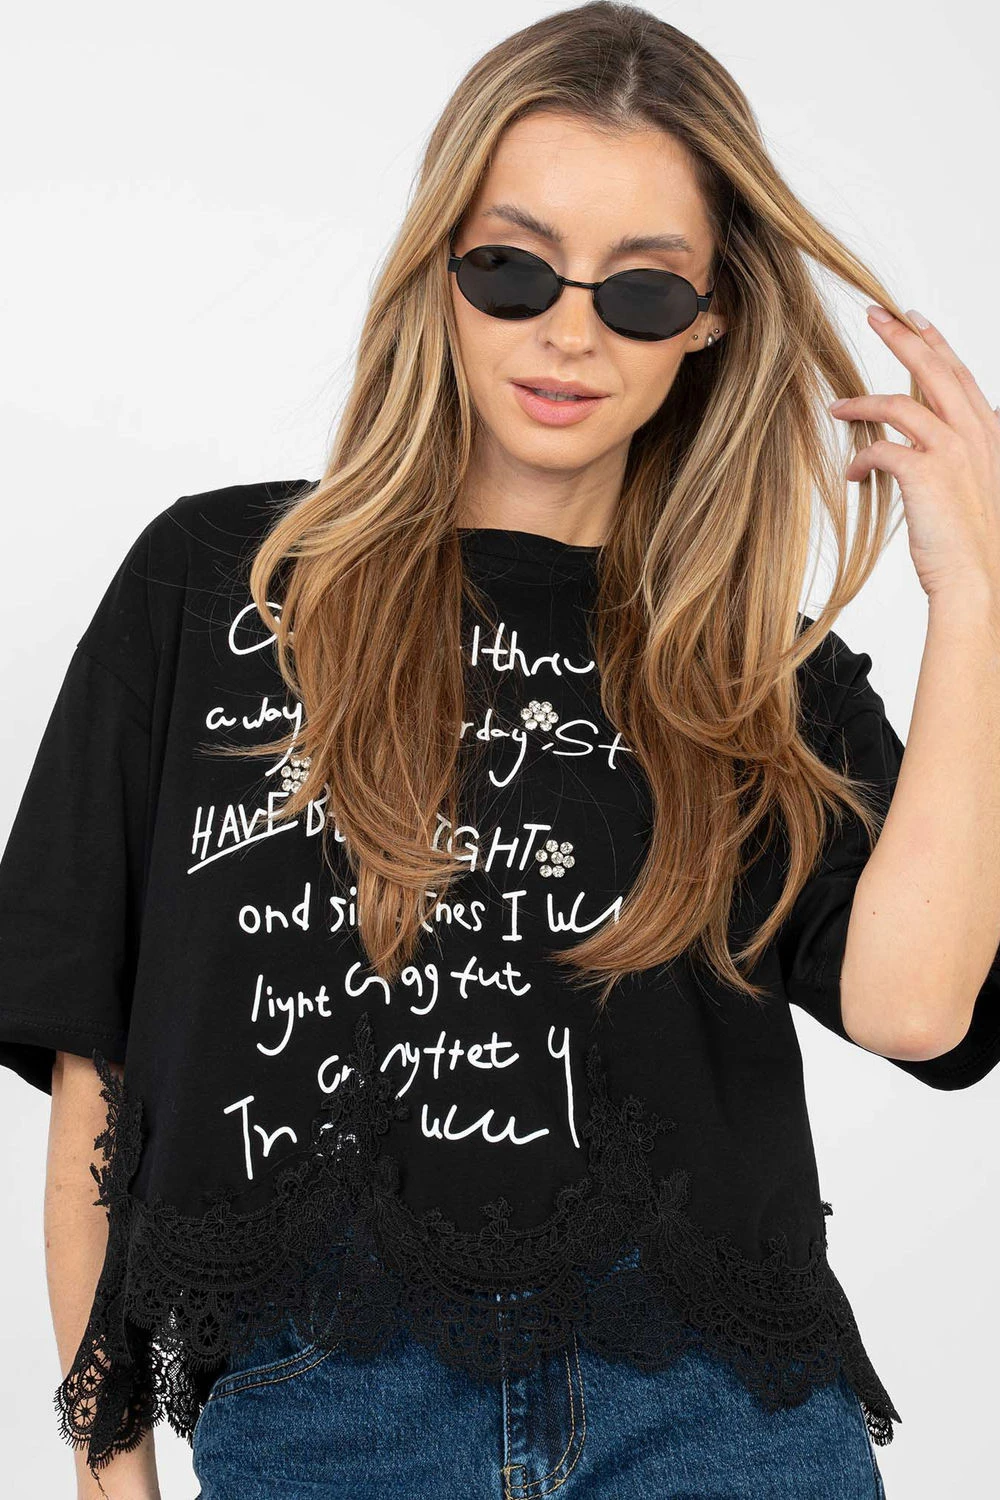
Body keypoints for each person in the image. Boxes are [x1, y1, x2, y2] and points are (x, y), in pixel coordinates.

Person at [2, 4, 999, 1497]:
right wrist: (108, 1468)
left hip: (720, 1427)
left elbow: (918, 1011)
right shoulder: (223, 587)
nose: (570, 331)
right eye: (514, 267)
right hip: (328, 1425)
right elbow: (102, 1066)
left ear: (714, 316)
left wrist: (975, 594)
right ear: (440, 267)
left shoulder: (754, 671)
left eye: (643, 291)